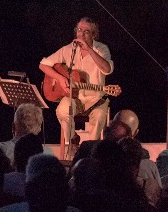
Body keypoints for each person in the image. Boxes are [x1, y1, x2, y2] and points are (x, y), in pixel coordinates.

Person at [39, 17, 114, 157]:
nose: (82, 34)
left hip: (96, 99)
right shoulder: (68, 49)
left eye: (86, 31)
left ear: (93, 35)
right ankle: (73, 140)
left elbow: (107, 69)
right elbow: (43, 65)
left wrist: (89, 50)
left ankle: (90, 152)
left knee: (99, 117)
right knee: (62, 111)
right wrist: (60, 78)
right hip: (74, 96)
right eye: (80, 30)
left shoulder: (102, 49)